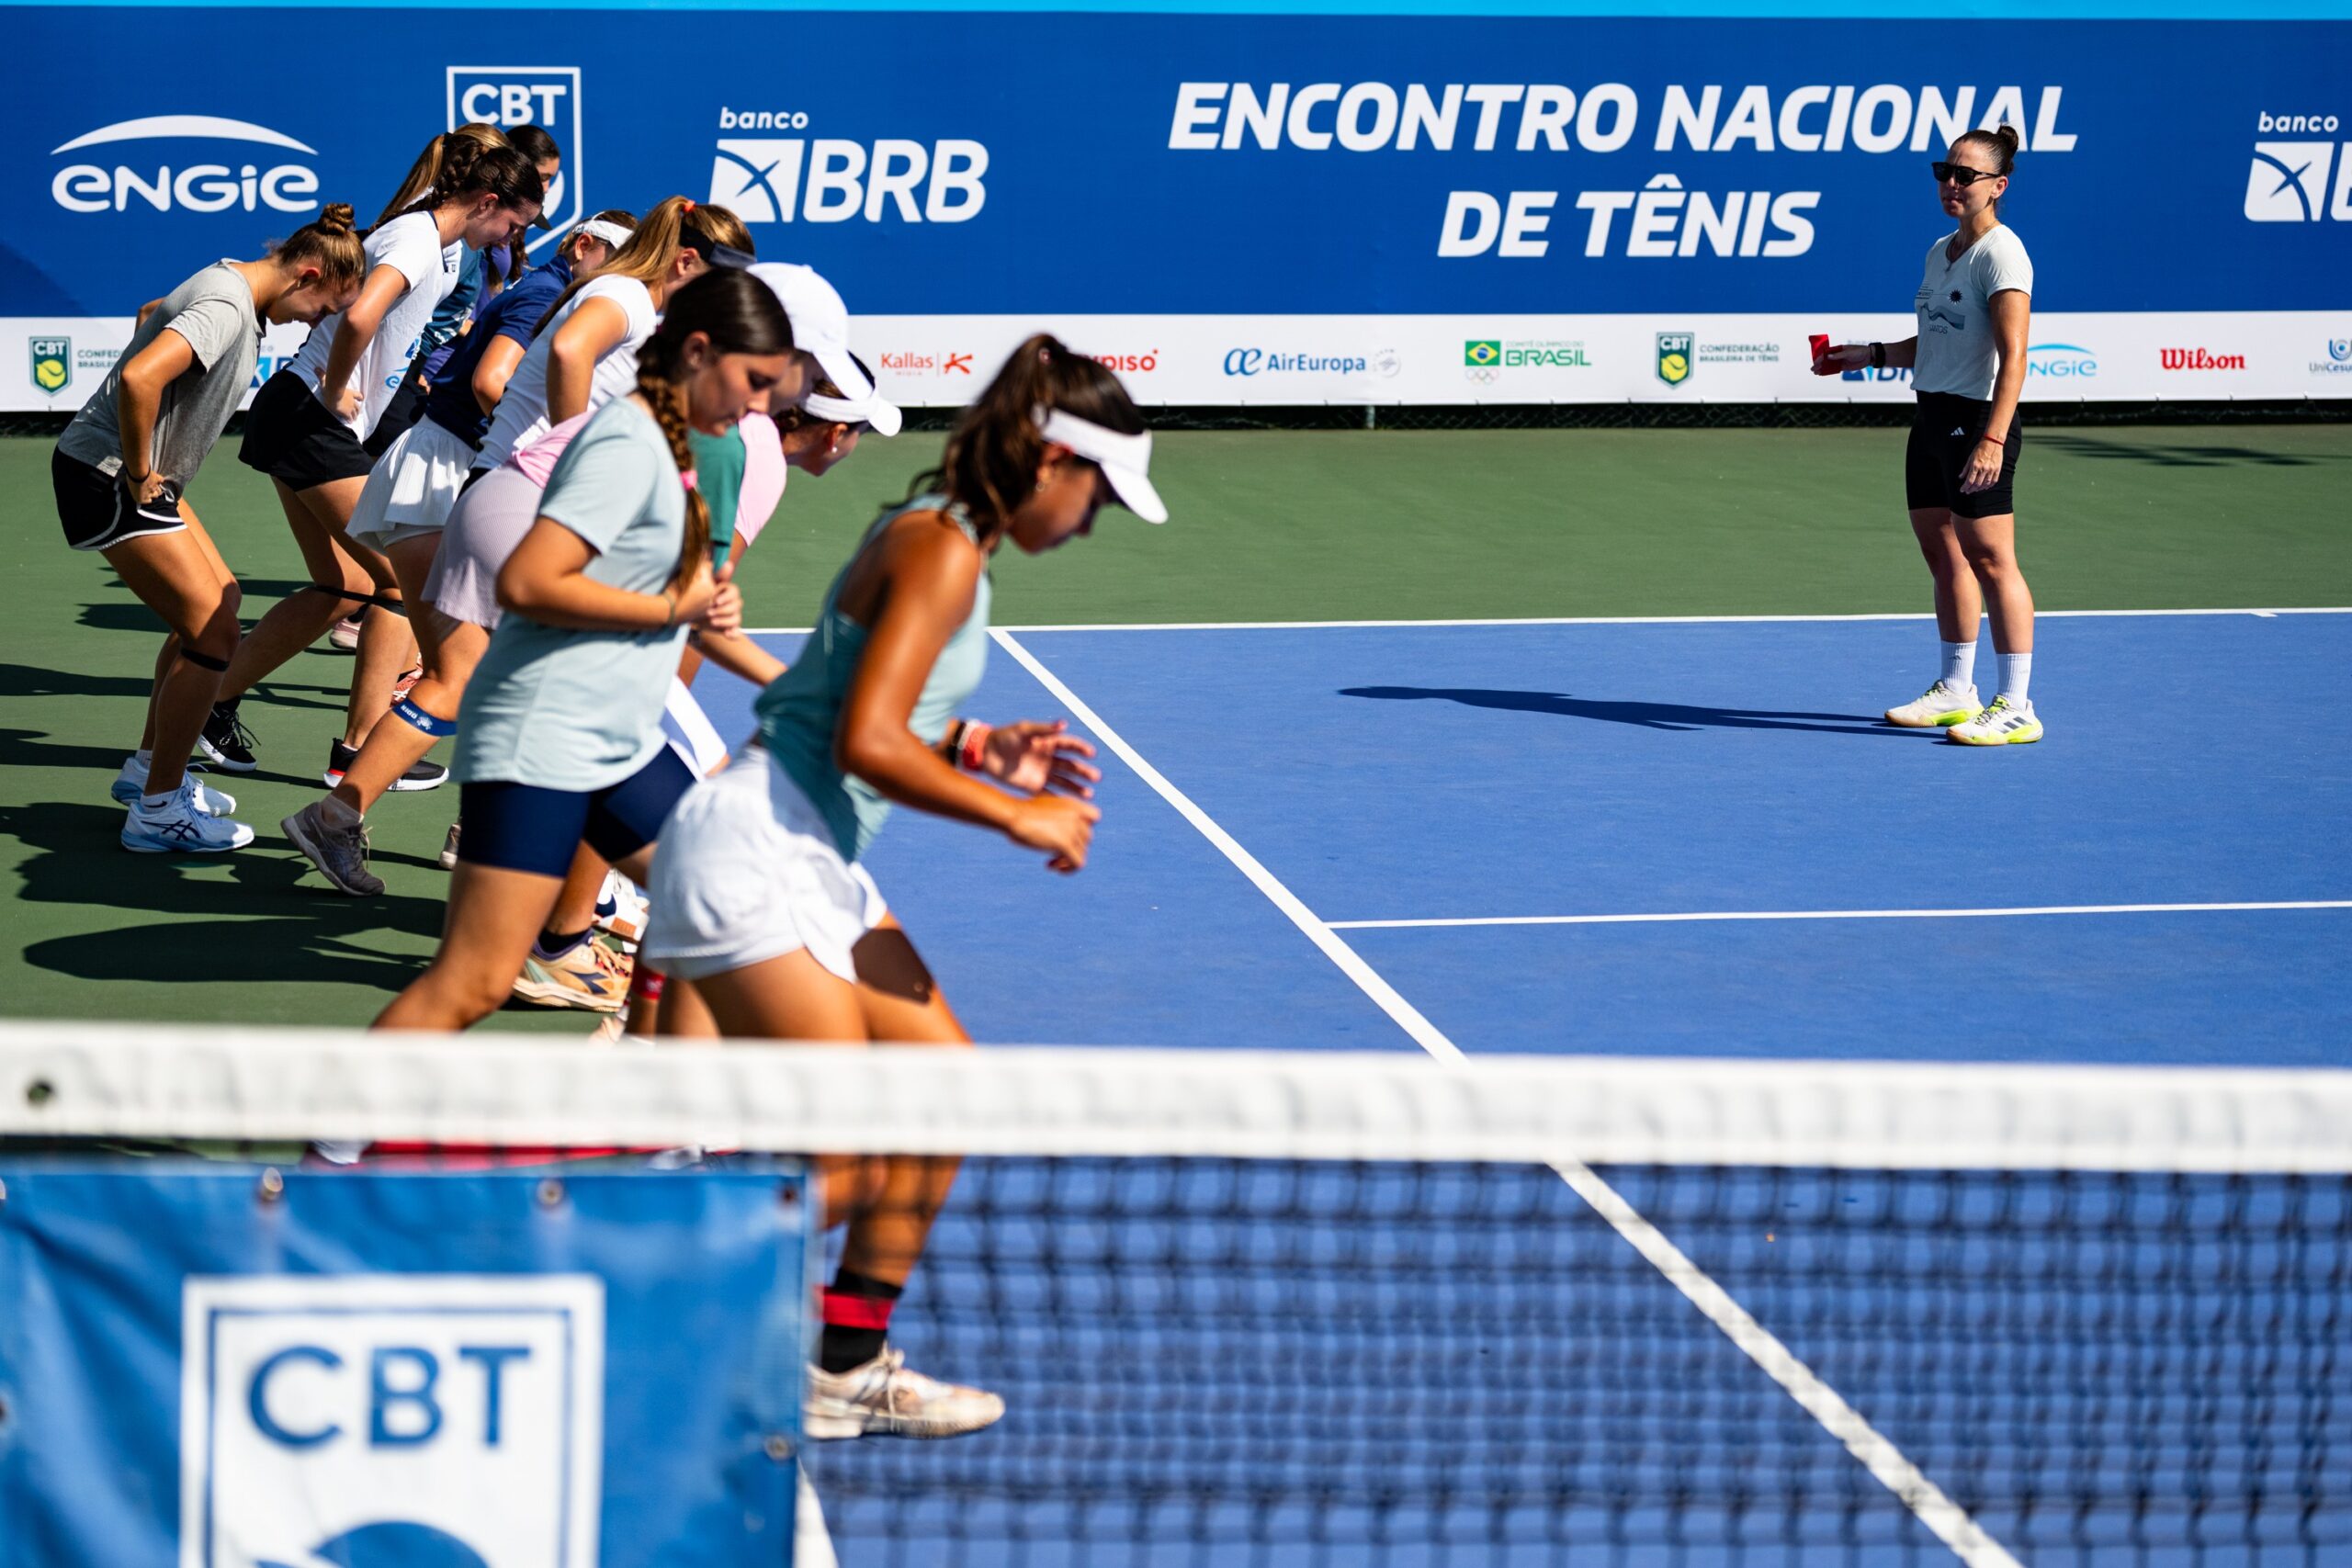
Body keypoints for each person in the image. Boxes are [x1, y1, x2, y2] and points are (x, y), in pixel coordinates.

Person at [638, 336, 1163, 1439]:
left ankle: (841, 1365)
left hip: (810, 855)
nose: (1091, 520)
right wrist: (1018, 811)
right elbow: (872, 742)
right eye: (1097, 494)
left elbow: (857, 704)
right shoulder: (942, 549)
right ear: (1044, 458)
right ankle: (614, 1292)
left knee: (941, 1098)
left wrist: (974, 743)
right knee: (843, 1156)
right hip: (754, 845)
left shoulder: (944, 539)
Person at [372, 265, 801, 1032]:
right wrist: (671, 603)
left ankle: (651, 1111)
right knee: (474, 981)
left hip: (614, 731)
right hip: (539, 731)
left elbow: (695, 608)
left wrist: (791, 685)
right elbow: (531, 583)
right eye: (755, 379)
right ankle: (331, 1153)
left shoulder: (711, 448)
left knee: (720, 899)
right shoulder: (626, 443)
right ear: (698, 352)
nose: (762, 404)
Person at [206, 141, 543, 781]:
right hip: (310, 415)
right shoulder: (418, 241)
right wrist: (337, 387)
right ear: (488, 203)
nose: (512, 237)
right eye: (514, 224)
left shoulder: (439, 246)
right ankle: (358, 752)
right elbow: (361, 315)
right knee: (392, 581)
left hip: (301, 417)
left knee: (347, 585)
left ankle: (211, 700)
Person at [52, 211, 367, 852]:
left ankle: (148, 772)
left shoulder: (229, 282)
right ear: (308, 273)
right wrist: (142, 468)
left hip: (130, 471)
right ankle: (158, 811)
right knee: (213, 631)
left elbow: (151, 314)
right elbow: (143, 377)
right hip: (110, 476)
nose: (314, 322)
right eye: (321, 308)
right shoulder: (228, 303)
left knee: (219, 600)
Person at [1817, 125, 2041, 745]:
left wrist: (1992, 440)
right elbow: (1939, 336)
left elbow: (2014, 356)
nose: (1951, 182)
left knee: (1993, 561)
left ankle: (2018, 703)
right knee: (1942, 554)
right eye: (1945, 170)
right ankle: (1956, 690)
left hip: (1977, 421)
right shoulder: (1940, 249)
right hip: (1931, 416)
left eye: (1966, 175)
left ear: (1998, 186)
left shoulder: (2003, 254)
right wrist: (1873, 352)